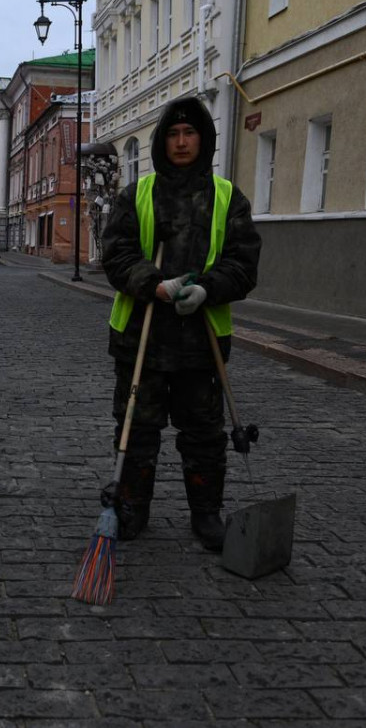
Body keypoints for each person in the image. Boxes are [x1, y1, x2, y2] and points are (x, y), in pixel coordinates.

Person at [100, 96, 261, 552]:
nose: (182, 142)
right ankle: (132, 508)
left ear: (204, 139)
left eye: (189, 133)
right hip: (142, 338)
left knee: (205, 434)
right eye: (173, 134)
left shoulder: (229, 198)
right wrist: (153, 285)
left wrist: (209, 288)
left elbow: (243, 260)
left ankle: (206, 514)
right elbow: (117, 253)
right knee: (137, 430)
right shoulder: (138, 195)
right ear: (161, 142)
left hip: (201, 341)